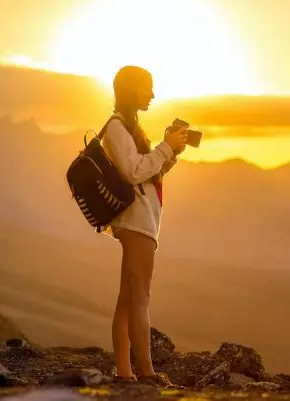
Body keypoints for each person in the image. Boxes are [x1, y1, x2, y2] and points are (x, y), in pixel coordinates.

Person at [100, 65, 187, 383]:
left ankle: (125, 372)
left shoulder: (129, 128)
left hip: (143, 220)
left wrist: (169, 154)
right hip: (136, 222)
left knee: (127, 299)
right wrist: (163, 148)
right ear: (131, 89)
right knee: (141, 297)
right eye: (147, 86)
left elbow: (145, 175)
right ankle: (146, 371)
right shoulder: (117, 127)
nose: (152, 93)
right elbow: (133, 172)